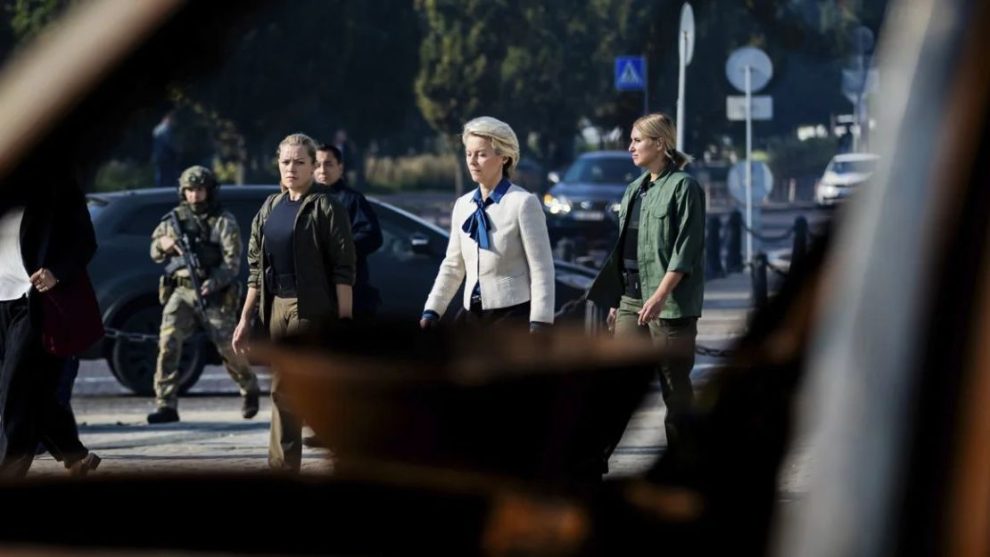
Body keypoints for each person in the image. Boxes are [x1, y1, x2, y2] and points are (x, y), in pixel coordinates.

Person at [587, 112, 705, 471]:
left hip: (669, 306)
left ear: (661, 143)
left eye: (638, 140)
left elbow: (686, 252)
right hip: (631, 301)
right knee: (616, 386)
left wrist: (659, 296)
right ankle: (592, 463)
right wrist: (618, 299)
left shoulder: (684, 187)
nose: (631, 147)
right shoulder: (635, 188)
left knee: (675, 390)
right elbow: (626, 249)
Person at [232, 133, 356, 472]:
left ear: (313, 166)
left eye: (300, 162)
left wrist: (344, 323)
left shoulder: (326, 206)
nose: (292, 168)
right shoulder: (271, 206)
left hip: (312, 310)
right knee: (290, 391)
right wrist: (245, 319)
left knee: (290, 390)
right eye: (286, 161)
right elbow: (256, 270)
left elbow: (343, 269)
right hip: (276, 310)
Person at [0, 181, 101, 477]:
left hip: (33, 303)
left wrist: (57, 272)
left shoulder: (58, 187)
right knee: (34, 390)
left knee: (14, 388)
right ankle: (75, 456)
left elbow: (85, 242)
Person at [146, 165, 260, 424]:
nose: (194, 196)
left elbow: (232, 263)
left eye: (199, 190)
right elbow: (154, 250)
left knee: (229, 348)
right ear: (182, 191)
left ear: (209, 191)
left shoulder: (223, 220)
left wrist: (214, 282)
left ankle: (249, 387)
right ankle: (166, 404)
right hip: (182, 291)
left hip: (213, 292)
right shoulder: (173, 219)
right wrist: (164, 245)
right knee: (168, 343)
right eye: (189, 190)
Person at [420, 116, 554, 331]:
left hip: (512, 316)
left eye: (482, 154)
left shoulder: (523, 203)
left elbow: (542, 268)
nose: (472, 161)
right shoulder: (463, 205)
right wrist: (432, 310)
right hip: (470, 316)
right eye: (468, 154)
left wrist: (540, 322)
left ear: (504, 158)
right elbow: (453, 265)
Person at [314, 143, 383, 319]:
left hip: (348, 292)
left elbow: (372, 236)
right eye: (317, 164)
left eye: (328, 164)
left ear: (340, 167)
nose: (322, 170)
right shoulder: (304, 199)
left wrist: (338, 249)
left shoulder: (352, 200)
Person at [152, 111, 179, 189]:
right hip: (166, 157)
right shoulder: (166, 129)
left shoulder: (157, 129)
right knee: (168, 176)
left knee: (160, 175)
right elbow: (169, 144)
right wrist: (176, 151)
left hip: (159, 156)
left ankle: (160, 189)